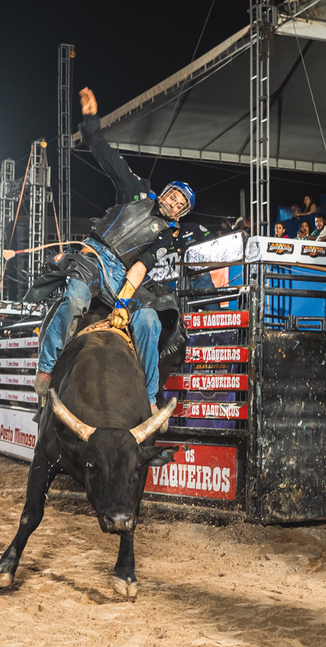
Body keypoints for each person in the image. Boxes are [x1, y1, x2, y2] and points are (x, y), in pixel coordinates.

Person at [31, 87, 201, 411]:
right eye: (174, 194)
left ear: (181, 213)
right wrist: (90, 120)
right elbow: (106, 155)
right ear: (165, 192)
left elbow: (142, 266)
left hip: (124, 275)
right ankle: (47, 366)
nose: (175, 201)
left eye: (181, 203)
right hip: (95, 256)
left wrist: (123, 302)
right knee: (76, 298)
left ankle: (149, 397)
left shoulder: (167, 235)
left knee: (150, 322)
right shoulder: (135, 191)